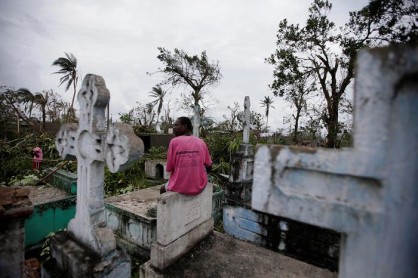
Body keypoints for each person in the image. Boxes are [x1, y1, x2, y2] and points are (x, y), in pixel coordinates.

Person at [160, 117, 212, 195]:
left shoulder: (174, 142)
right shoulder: (201, 142)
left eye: (176, 125)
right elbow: (209, 166)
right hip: (199, 186)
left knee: (162, 189)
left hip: (179, 187)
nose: (174, 128)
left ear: (185, 126)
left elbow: (169, 168)